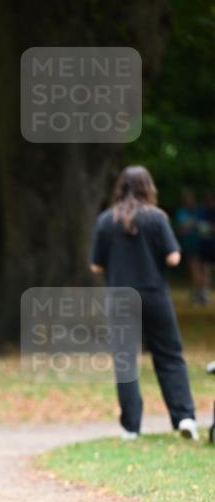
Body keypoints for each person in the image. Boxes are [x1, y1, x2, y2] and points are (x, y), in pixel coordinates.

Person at [90, 165, 198, 441]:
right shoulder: (157, 218)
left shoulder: (105, 220)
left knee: (126, 362)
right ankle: (184, 417)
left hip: (120, 298)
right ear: (148, 187)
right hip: (154, 294)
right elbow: (174, 258)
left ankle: (131, 427)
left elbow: (95, 265)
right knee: (170, 356)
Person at [174, 189, 208, 304]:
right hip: (189, 244)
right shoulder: (182, 212)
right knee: (195, 270)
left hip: (200, 244)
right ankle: (200, 293)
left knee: (201, 270)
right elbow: (181, 229)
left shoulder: (198, 212)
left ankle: (200, 294)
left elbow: (201, 228)